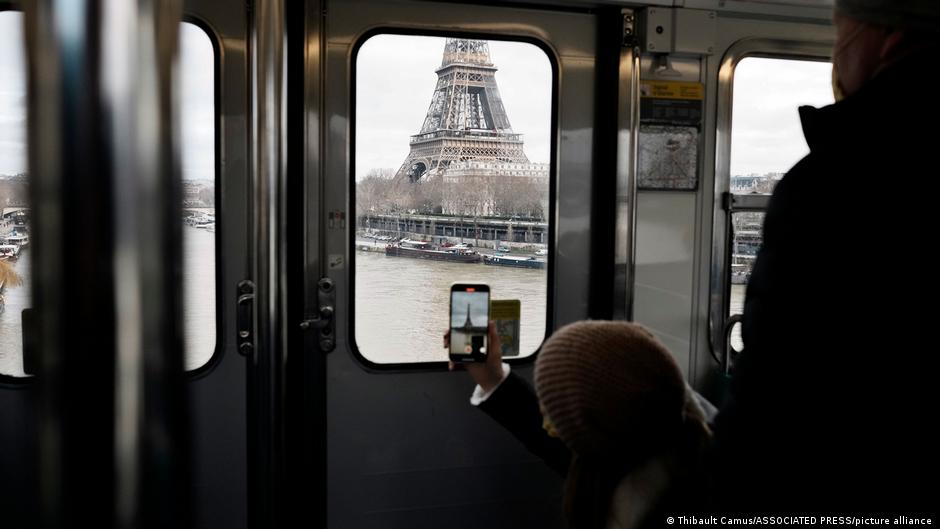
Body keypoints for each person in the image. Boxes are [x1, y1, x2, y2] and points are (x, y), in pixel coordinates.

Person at [710, 0, 938, 513]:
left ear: (887, 37)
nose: (836, 53)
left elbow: (776, 403)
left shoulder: (837, 182)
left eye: (840, 32)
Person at [448, 322, 712, 529]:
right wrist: (492, 377)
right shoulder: (639, 451)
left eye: (553, 409)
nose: (547, 420)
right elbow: (550, 442)